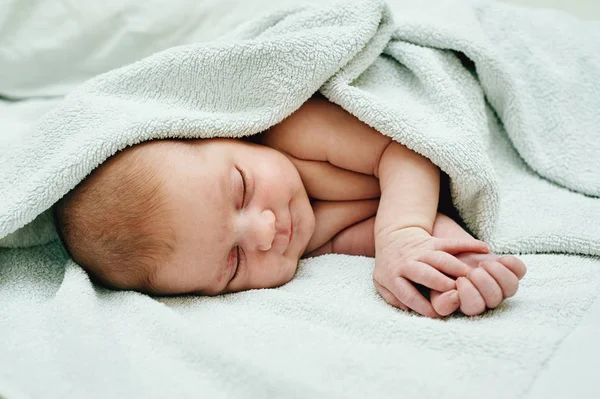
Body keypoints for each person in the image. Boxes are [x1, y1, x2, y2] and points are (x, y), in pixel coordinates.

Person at [54, 97, 526, 318]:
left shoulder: (293, 134)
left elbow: (405, 149)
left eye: (240, 189)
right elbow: (391, 233)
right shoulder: (307, 245)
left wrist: (401, 235)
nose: (264, 232)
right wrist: (452, 262)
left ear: (222, 134)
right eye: (234, 262)